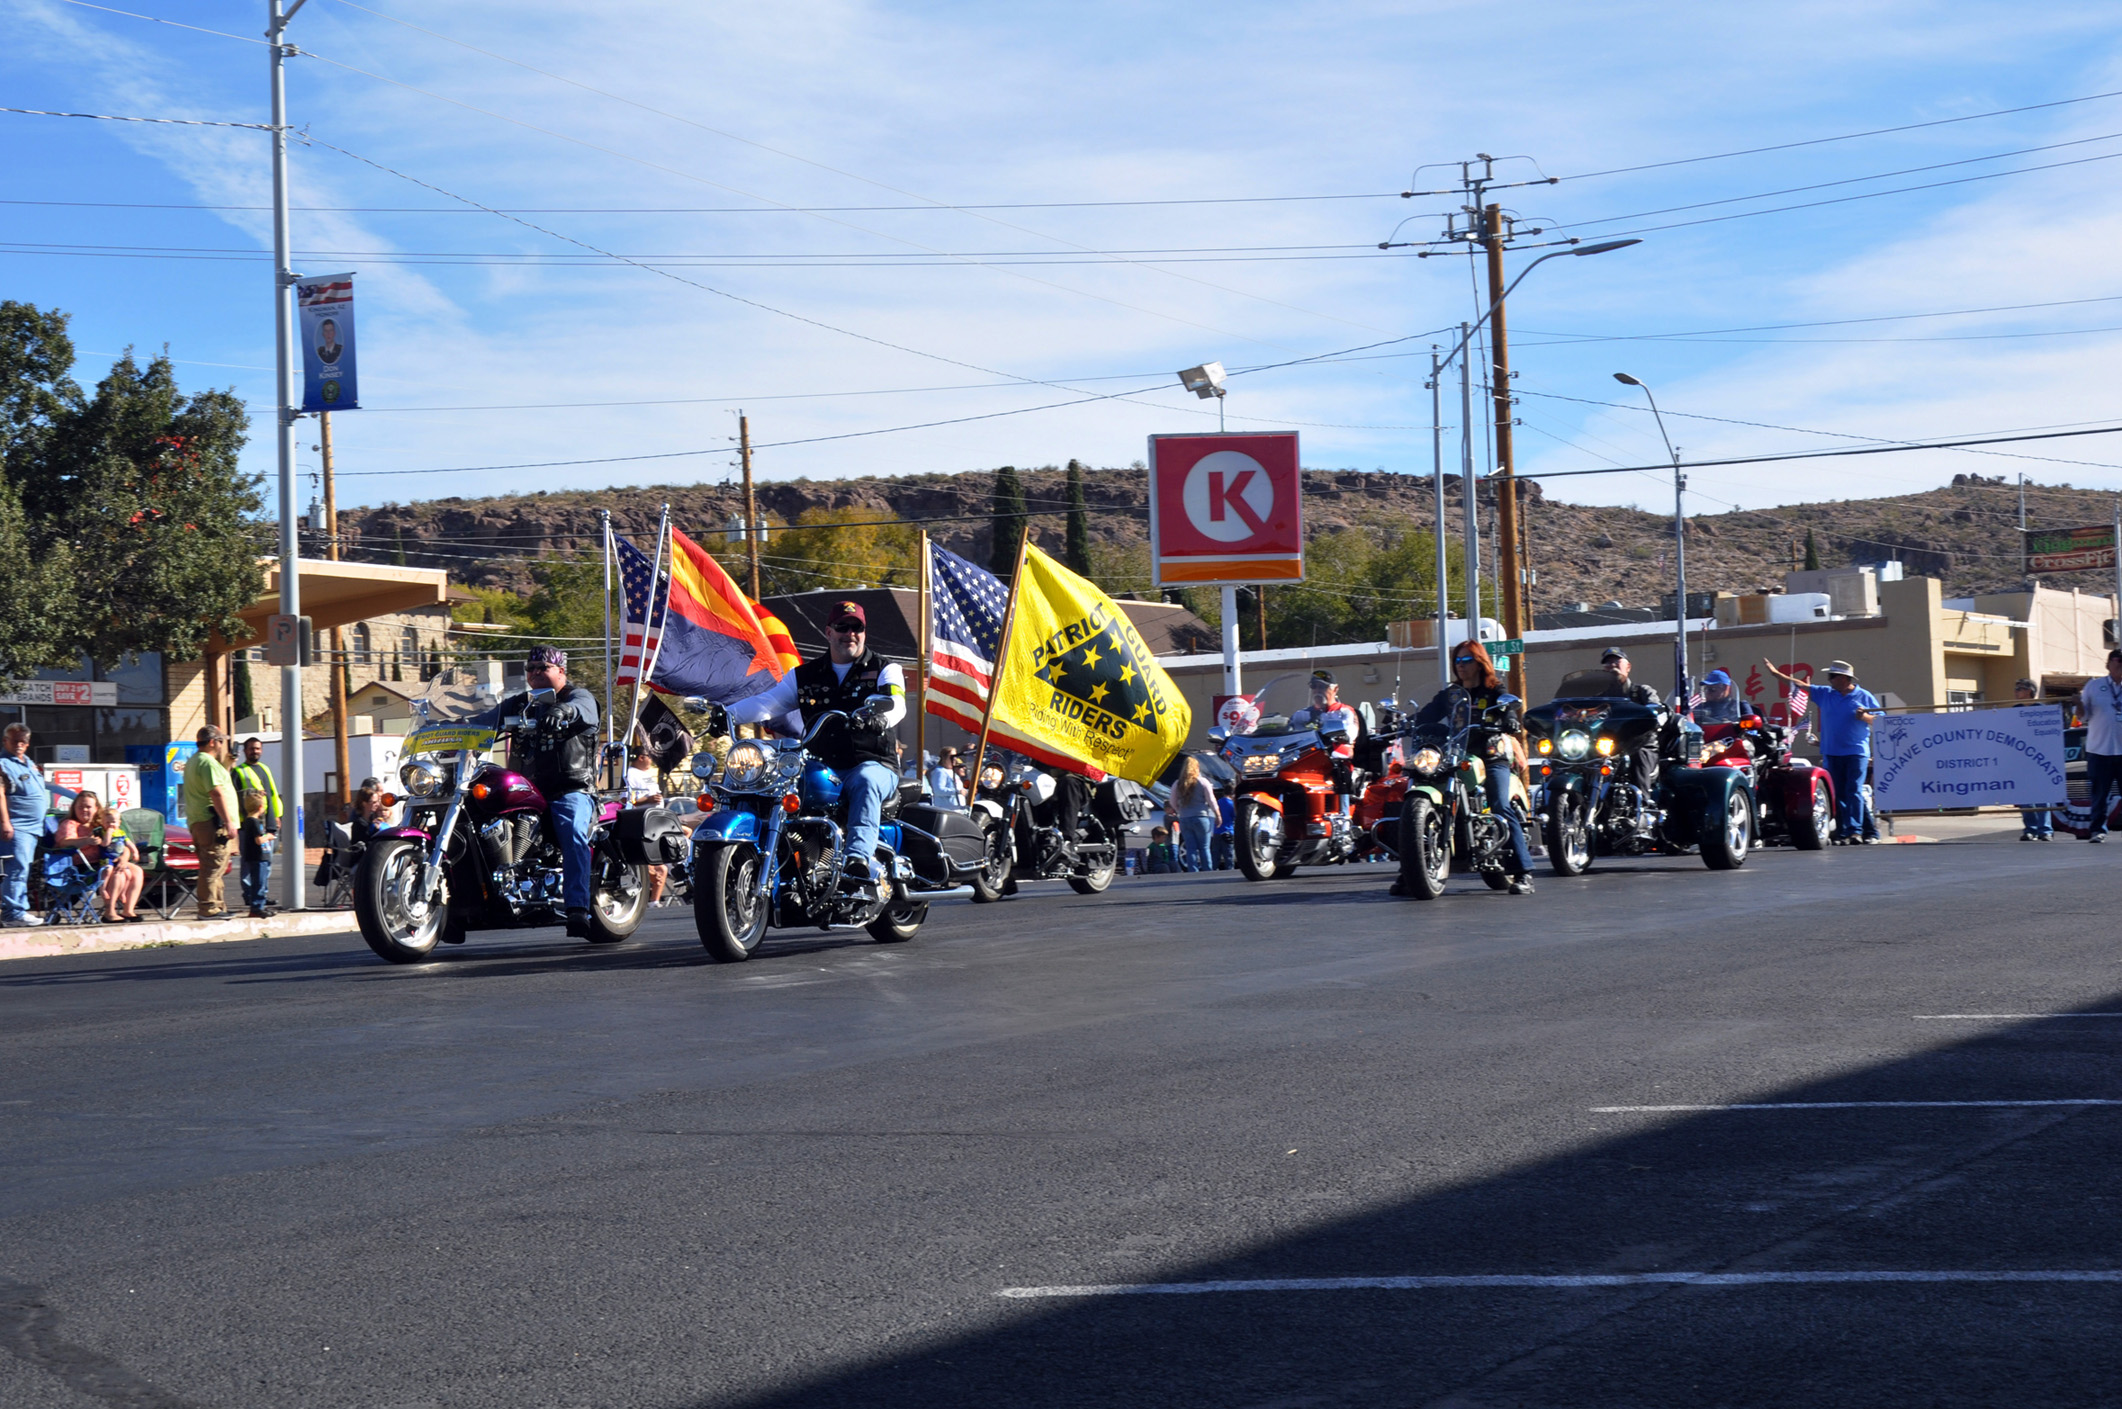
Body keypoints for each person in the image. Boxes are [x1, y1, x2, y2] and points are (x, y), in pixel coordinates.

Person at [728, 600, 905, 885]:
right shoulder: (804, 676)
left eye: (857, 627)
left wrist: (881, 719)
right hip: (823, 766)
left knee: (865, 779)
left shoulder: (885, 669)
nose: (850, 633)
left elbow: (897, 703)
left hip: (873, 763)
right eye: (842, 627)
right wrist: (725, 714)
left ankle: (857, 858)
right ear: (828, 632)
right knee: (772, 781)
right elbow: (767, 703)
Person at [467, 645, 602, 936]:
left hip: (569, 789)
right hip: (527, 791)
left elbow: (584, 710)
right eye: (531, 669)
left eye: (543, 668)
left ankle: (577, 907)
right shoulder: (521, 703)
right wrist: (453, 728)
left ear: (561, 671)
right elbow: (485, 720)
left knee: (572, 830)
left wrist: (564, 711)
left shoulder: (577, 697)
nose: (536, 673)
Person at [1397, 639, 1535, 895]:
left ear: (1480, 662)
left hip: (1490, 756)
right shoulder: (1451, 694)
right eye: (1457, 661)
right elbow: (1427, 714)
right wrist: (1402, 723)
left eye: (1466, 660)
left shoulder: (1494, 690)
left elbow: (1508, 712)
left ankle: (1524, 872)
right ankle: (1409, 871)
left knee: (1499, 804)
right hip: (1454, 754)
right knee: (1419, 784)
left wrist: (1510, 721)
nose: (1461, 666)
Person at [1763, 657, 1880, 843]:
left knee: (1854, 791)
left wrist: (1865, 717)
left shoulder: (1864, 696)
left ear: (1844, 678)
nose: (1829, 679)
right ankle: (1849, 832)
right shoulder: (1825, 693)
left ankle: (1855, 831)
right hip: (1831, 753)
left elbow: (1880, 720)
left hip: (1856, 752)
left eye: (1832, 676)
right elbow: (1799, 685)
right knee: (1840, 793)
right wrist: (1776, 674)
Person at [57, 791, 144, 923]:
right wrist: (85, 840)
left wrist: (125, 857)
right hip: (84, 866)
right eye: (80, 807)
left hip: (108, 859)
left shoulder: (102, 824)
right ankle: (110, 912)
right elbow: (64, 841)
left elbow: (122, 843)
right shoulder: (70, 824)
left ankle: (128, 910)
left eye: (88, 807)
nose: (84, 810)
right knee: (118, 873)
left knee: (137, 871)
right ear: (74, 808)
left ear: (96, 808)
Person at [183, 725, 240, 919]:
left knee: (216, 866)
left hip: (201, 821)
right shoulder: (206, 763)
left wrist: (227, 763)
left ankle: (217, 906)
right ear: (212, 742)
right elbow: (216, 792)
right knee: (212, 866)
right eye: (221, 741)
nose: (223, 745)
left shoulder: (196, 761)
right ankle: (208, 908)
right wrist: (229, 821)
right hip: (211, 822)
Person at [0, 724, 50, 927]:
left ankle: (17, 909)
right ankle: (13, 913)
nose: (19, 744)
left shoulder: (28, 763)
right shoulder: (3, 764)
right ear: (5, 741)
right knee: (16, 869)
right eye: (14, 740)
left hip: (32, 828)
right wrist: (5, 822)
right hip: (17, 826)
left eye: (23, 741)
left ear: (28, 744)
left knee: (23, 868)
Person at [1288, 669, 1360, 808]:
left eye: (1323, 686)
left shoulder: (1344, 712)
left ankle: (1344, 815)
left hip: (1333, 761)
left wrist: (1341, 734)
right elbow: (1287, 730)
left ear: (1335, 689)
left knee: (1341, 771)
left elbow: (1351, 732)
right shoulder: (1301, 715)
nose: (1317, 690)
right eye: (1314, 687)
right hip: (1306, 761)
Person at [232, 736, 283, 919]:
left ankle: (261, 895)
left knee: (264, 862)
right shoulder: (239, 772)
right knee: (250, 863)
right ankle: (251, 896)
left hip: (267, 822)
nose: (255, 751)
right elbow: (235, 798)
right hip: (250, 824)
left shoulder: (264, 769)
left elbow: (273, 794)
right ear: (245, 751)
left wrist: (276, 815)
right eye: (252, 748)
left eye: (258, 748)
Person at [2079, 650, 2122, 842]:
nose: (2121, 665)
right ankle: (2097, 830)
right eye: (2118, 661)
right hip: (2099, 751)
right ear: (2108, 664)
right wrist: (2077, 705)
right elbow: (2082, 716)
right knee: (2099, 794)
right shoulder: (2094, 686)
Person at [624, 735, 670, 907]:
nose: (651, 760)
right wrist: (648, 800)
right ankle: (643, 901)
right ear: (641, 757)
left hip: (655, 824)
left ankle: (653, 903)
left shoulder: (646, 775)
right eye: (649, 756)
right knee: (654, 868)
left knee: (661, 869)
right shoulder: (629, 774)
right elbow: (626, 800)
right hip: (640, 826)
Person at [2014, 678, 2055, 841]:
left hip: (2040, 760)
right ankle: (2029, 829)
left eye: (2019, 688)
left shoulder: (2042, 710)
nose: (2016, 691)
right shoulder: (2014, 710)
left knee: (2042, 796)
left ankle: (2045, 829)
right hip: (2021, 760)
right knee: (2024, 797)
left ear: (2029, 691)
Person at [1166, 754, 1217, 873]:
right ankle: (1207, 871)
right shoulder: (1203, 782)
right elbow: (1211, 800)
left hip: (1184, 818)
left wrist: (1179, 810)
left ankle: (1192, 871)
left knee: (1191, 848)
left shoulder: (1177, 784)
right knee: (1204, 848)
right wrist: (1218, 814)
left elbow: (1172, 802)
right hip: (1201, 817)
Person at [1212, 787, 1236, 870]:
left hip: (1216, 831)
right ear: (1232, 794)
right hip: (1228, 832)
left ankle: (1212, 872)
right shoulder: (1231, 804)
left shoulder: (1218, 802)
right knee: (1228, 856)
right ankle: (1229, 873)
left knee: (1215, 855)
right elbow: (1235, 817)